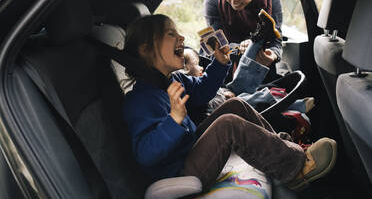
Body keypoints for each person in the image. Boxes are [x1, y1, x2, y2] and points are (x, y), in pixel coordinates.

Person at [122, 14, 337, 193]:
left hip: (188, 150)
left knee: (236, 106)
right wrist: (174, 120)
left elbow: (203, 91)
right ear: (145, 49)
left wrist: (220, 63)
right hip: (178, 173)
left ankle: (287, 149)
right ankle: (295, 169)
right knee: (228, 125)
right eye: (171, 34)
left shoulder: (173, 79)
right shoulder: (139, 101)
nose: (181, 37)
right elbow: (145, 154)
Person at [183, 45, 314, 142]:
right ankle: (292, 104)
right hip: (225, 109)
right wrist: (224, 97)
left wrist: (224, 91)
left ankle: (256, 42)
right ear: (186, 71)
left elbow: (215, 88)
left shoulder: (199, 82)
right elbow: (208, 107)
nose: (202, 68)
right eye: (197, 65)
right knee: (243, 98)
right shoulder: (190, 92)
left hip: (227, 93)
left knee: (242, 77)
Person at [204, 0, 283, 80]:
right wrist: (239, 48)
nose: (234, 2)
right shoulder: (212, 0)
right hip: (223, 65)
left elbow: (276, 40)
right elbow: (215, 45)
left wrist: (273, 55)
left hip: (259, 64)